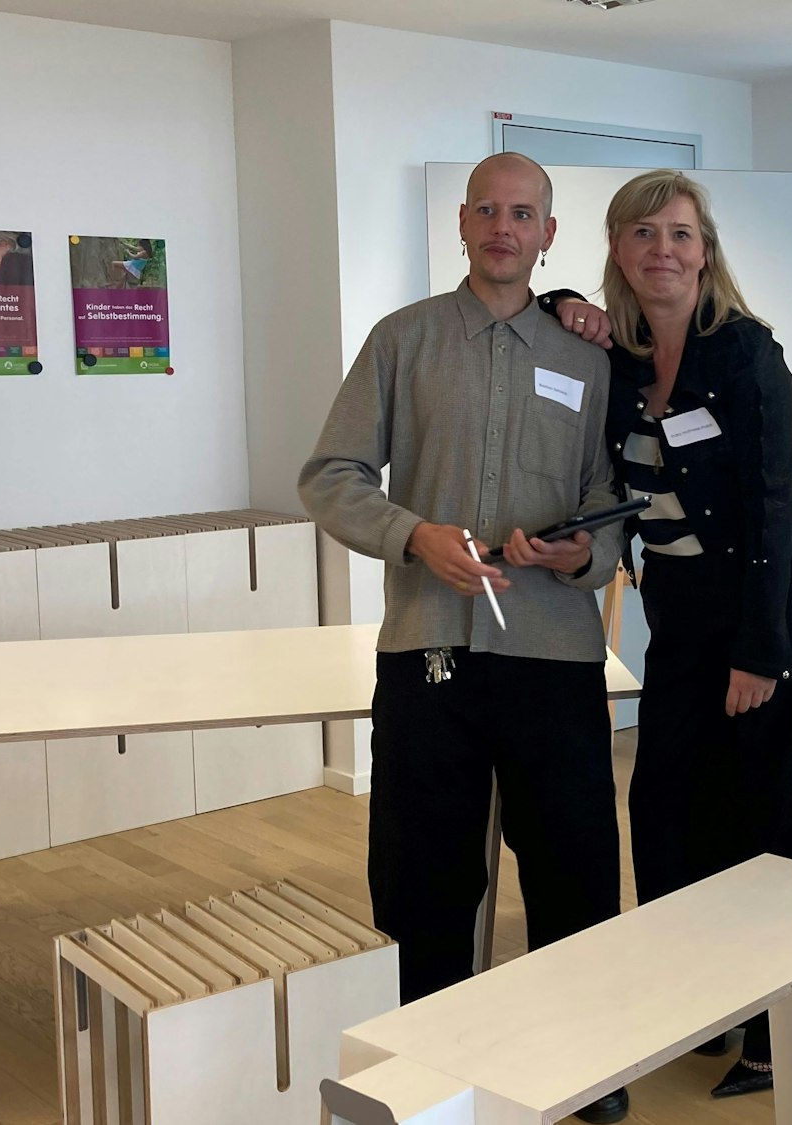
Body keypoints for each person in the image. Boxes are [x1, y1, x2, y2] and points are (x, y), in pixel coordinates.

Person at [299, 152, 633, 1125]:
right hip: (429, 650)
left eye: (521, 212)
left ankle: (587, 1065)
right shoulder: (401, 341)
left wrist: (578, 554)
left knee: (573, 868)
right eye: (486, 209)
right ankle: (428, 1070)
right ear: (461, 221)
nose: (502, 226)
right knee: (421, 874)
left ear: (547, 234)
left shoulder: (587, 359)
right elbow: (330, 475)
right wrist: (413, 536)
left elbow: (613, 511)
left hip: (555, 655)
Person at [542, 170, 792, 1100]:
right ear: (618, 254)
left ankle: (777, 1027)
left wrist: (759, 651)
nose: (662, 251)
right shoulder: (624, 361)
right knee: (673, 809)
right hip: (679, 612)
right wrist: (562, 300)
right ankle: (707, 995)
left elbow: (768, 500)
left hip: (776, 607)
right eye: (642, 236)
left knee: (773, 814)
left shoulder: (746, 352)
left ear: (705, 250)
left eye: (679, 234)